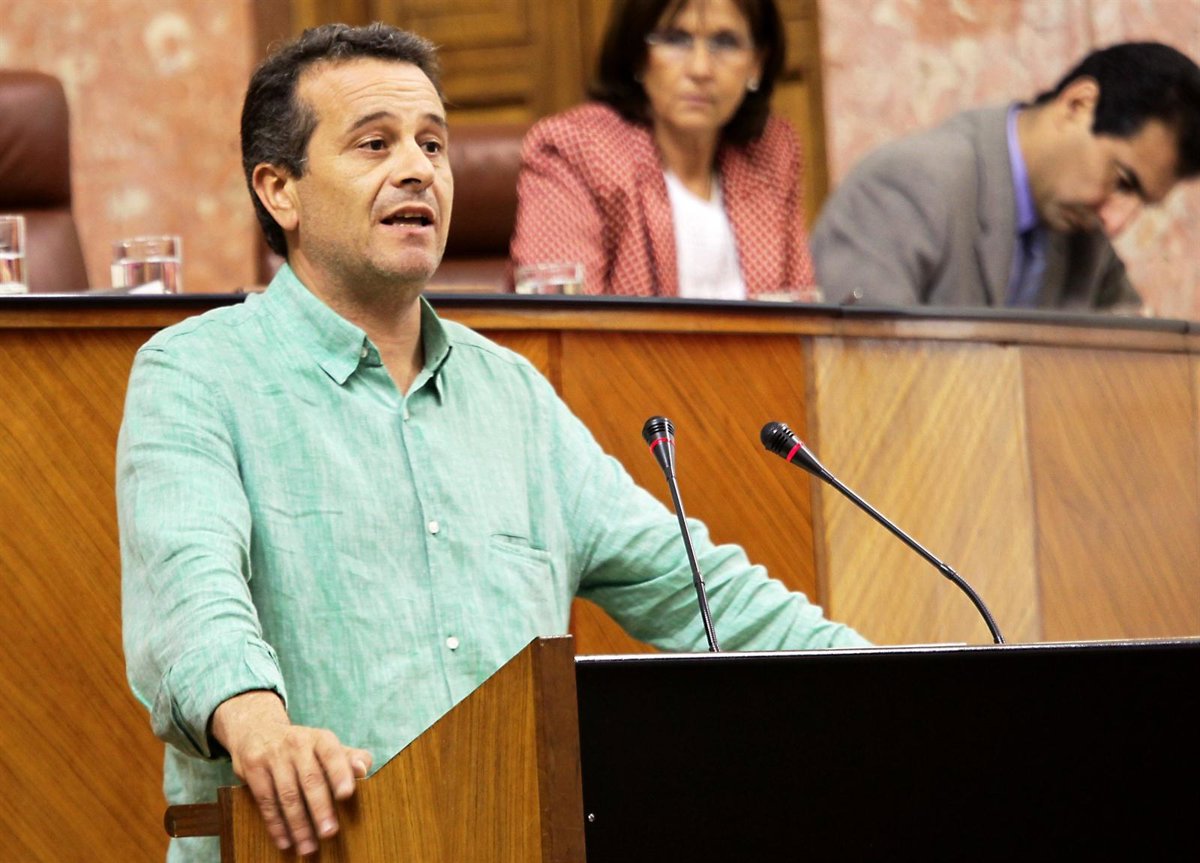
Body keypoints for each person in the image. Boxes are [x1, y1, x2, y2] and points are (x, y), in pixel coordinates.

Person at [116, 22, 867, 863]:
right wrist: (258, 722)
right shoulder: (196, 374)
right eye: (375, 143)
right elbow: (188, 596)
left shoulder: (514, 397)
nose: (418, 169)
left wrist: (891, 685)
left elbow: (700, 588)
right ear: (279, 190)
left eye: (433, 144)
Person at [810, 41, 1200, 311]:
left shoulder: (1086, 233)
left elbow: (1128, 376)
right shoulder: (908, 183)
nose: (1115, 222)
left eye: (1142, 203)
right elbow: (865, 367)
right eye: (1123, 181)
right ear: (1078, 104)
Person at [509, 0, 813, 299]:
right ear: (638, 54)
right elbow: (563, 319)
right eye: (675, 39)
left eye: (725, 42)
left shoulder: (770, 152)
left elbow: (801, 312)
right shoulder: (575, 151)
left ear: (757, 63)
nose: (700, 68)